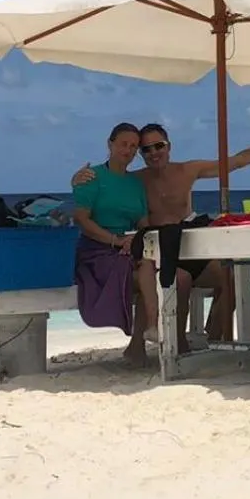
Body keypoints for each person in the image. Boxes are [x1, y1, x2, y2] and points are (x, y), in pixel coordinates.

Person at [72, 117, 250, 343]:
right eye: (146, 149)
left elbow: (236, 161)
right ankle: (175, 342)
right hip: (162, 252)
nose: (154, 153)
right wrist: (76, 179)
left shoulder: (188, 170)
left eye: (158, 146)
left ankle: (215, 339)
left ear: (169, 146)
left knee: (231, 277)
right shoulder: (135, 180)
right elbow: (109, 185)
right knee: (178, 280)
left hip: (191, 248)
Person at [70, 122, 160, 366]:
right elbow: (81, 219)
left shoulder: (135, 184)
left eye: (133, 146)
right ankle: (147, 333)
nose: (128, 150)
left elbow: (144, 223)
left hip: (129, 248)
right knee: (144, 273)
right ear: (110, 144)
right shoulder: (91, 177)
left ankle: (145, 336)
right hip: (96, 250)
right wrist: (115, 240)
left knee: (151, 269)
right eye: (123, 144)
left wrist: (136, 240)